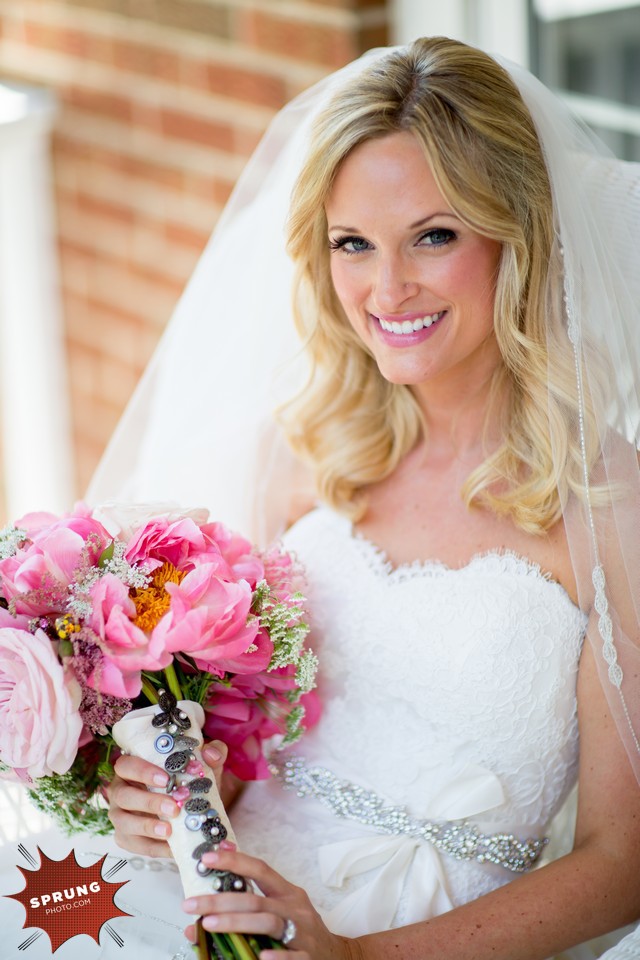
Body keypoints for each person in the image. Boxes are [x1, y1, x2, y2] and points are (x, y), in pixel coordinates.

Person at [100, 37, 640, 960]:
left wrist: (356, 958)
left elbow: (623, 863)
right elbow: (245, 750)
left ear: (517, 235)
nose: (386, 289)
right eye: (352, 243)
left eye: (434, 235)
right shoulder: (300, 451)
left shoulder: (611, 508)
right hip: (219, 907)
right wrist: (174, 797)